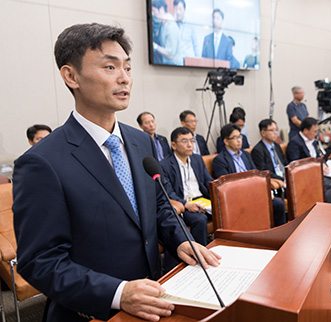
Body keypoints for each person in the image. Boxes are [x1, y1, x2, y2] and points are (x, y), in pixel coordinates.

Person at [13, 23, 220, 322]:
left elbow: (158, 205)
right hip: (91, 313)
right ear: (71, 76)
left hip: (152, 300)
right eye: (110, 67)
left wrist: (180, 239)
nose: (124, 78)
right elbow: (41, 262)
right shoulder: (41, 163)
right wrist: (118, 293)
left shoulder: (139, 141)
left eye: (127, 68)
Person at [212, 124, 286, 226]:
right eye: (235, 138)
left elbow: (256, 175)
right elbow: (226, 186)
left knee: (278, 204)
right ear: (226, 141)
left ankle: (279, 234)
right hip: (237, 197)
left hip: (253, 192)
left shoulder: (246, 155)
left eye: (240, 137)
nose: (239, 140)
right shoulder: (220, 160)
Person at [160, 127, 211, 247]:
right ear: (173, 145)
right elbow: (168, 192)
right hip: (184, 204)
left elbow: (208, 181)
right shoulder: (165, 165)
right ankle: (200, 251)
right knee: (200, 219)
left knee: (225, 209)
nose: (190, 145)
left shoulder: (197, 159)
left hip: (202, 200)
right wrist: (185, 204)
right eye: (184, 141)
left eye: (191, 141)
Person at [286, 117, 331, 206]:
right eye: (314, 131)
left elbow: (320, 157)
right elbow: (295, 165)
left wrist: (323, 164)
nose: (316, 134)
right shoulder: (294, 143)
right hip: (306, 174)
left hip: (319, 171)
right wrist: (316, 167)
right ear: (305, 131)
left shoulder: (314, 141)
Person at [251, 119, 286, 195]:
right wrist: (282, 178)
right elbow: (263, 172)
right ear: (263, 133)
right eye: (271, 130)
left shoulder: (276, 146)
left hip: (284, 177)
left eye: (276, 130)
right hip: (275, 182)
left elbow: (284, 163)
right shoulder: (258, 150)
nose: (275, 133)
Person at [151, 0, 180, 65]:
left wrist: (155, 46)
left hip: (174, 67)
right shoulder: (163, 24)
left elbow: (170, 53)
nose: (152, 14)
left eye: (153, 11)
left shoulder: (171, 26)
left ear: (161, 9)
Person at [172, 0, 199, 65]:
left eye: (180, 9)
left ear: (184, 10)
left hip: (189, 64)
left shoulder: (191, 25)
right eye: (175, 9)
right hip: (175, 65)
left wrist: (198, 63)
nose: (178, 12)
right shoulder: (171, 25)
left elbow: (196, 45)